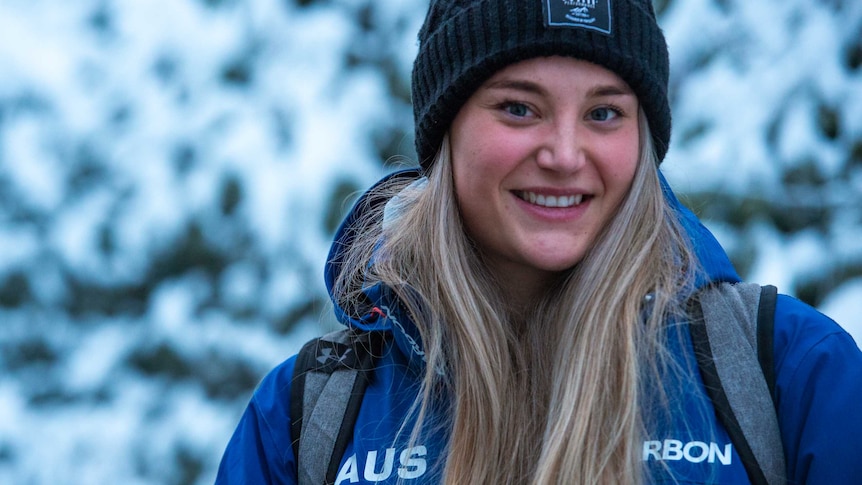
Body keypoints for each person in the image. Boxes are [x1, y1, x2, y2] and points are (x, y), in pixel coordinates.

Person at [216, 0, 862, 483]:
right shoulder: (314, 411)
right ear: (446, 132)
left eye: (603, 113)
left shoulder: (786, 370)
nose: (563, 153)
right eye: (519, 108)